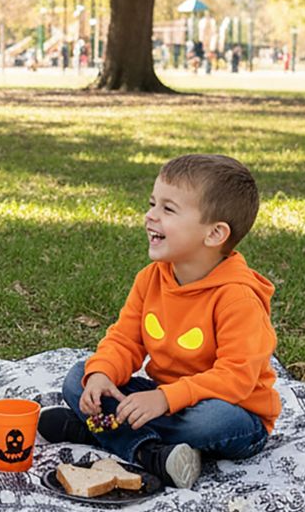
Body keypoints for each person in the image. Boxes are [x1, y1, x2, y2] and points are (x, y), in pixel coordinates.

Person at [38, 154, 280, 490]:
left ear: (214, 234)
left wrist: (165, 399)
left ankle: (102, 431)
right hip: (162, 398)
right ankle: (149, 451)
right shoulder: (151, 279)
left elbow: (236, 379)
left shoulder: (237, 298)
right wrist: (103, 374)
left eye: (168, 209)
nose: (151, 215)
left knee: (211, 420)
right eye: (153, 203)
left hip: (233, 413)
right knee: (78, 377)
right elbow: (125, 339)